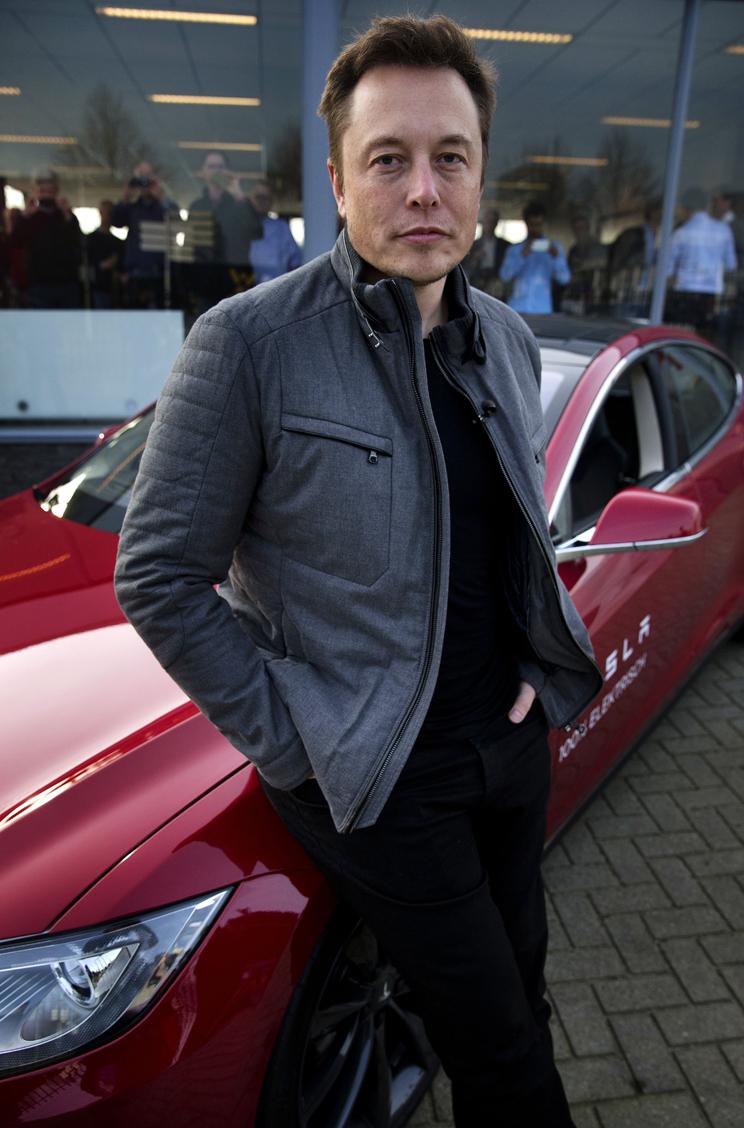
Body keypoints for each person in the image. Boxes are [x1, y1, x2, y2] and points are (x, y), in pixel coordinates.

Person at [114, 15, 601, 1127]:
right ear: (337, 183)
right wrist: (294, 741)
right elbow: (160, 574)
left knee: (520, 990)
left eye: (450, 158)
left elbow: (510, 530)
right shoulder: (250, 344)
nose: (423, 189)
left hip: (505, 747)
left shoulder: (507, 340)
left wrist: (537, 662)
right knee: (506, 1056)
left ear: (480, 179)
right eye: (389, 159)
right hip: (377, 777)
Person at [666, 187, 737, 338]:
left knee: (683, 333)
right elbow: (731, 264)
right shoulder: (723, 230)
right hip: (709, 292)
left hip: (686, 289)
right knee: (703, 334)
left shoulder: (682, 231)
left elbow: (667, 267)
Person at [11, 170, 81, 308]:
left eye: (50, 191)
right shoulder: (30, 218)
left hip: (66, 283)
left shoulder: (66, 216)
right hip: (39, 283)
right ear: (36, 192)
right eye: (42, 191)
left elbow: (78, 241)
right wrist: (25, 217)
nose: (47, 195)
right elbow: (15, 242)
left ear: (56, 192)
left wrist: (68, 215)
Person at [111, 161, 169, 309]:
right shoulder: (132, 208)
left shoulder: (162, 207)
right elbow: (116, 222)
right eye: (141, 176)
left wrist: (160, 197)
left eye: (148, 176)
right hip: (134, 273)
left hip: (158, 273)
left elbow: (175, 223)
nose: (144, 182)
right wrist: (126, 196)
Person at [499, 200, 570, 313]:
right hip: (517, 309)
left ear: (544, 224)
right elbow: (505, 276)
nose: (535, 229)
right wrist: (522, 256)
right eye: (532, 225)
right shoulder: (515, 250)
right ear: (526, 224)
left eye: (539, 225)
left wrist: (556, 258)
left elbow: (564, 279)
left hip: (543, 310)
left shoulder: (555, 248)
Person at [248, 178, 302, 283]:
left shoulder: (281, 228)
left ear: (271, 202)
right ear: (250, 199)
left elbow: (296, 263)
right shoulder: (240, 226)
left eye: (266, 198)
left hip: (276, 288)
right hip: (245, 288)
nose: (262, 201)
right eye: (258, 197)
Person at [463, 205, 510, 296]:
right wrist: (475, 259)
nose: (490, 224)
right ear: (483, 222)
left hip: (496, 283)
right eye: (487, 221)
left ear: (496, 224)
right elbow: (466, 268)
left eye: (492, 221)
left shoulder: (504, 245)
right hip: (477, 282)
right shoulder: (472, 245)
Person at [565, 212, 606, 313]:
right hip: (576, 296)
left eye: (581, 228)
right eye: (576, 229)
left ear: (587, 228)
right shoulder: (574, 250)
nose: (579, 232)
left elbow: (602, 263)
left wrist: (583, 265)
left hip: (595, 296)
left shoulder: (597, 247)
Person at [86, 199, 122, 308]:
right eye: (106, 212)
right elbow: (87, 263)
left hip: (116, 289)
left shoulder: (117, 242)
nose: (108, 216)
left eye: (111, 213)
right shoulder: (90, 239)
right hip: (98, 287)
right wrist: (101, 265)